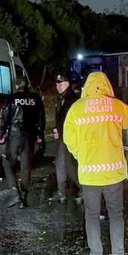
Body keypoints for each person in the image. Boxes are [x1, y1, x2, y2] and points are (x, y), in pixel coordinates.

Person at [63, 72, 128, 255]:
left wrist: (81, 154)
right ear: (107, 86)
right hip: (114, 171)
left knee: (92, 215)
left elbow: (68, 138)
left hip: (89, 172)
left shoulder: (76, 109)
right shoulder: (117, 105)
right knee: (116, 214)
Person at [0, 75, 45, 207]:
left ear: (16, 85)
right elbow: (41, 117)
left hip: (15, 135)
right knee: (26, 166)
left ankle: (15, 194)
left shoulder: (11, 98)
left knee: (7, 162)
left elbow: (5, 117)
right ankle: (23, 197)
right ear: (26, 85)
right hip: (30, 136)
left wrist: (1, 133)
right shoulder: (36, 98)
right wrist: (40, 134)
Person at [51, 74, 80, 202]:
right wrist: (57, 129)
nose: (58, 86)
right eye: (57, 84)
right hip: (64, 136)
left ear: (68, 83)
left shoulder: (73, 99)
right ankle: (62, 191)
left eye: (61, 83)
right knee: (62, 163)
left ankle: (82, 189)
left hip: (71, 136)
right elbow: (60, 118)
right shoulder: (62, 98)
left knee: (68, 165)